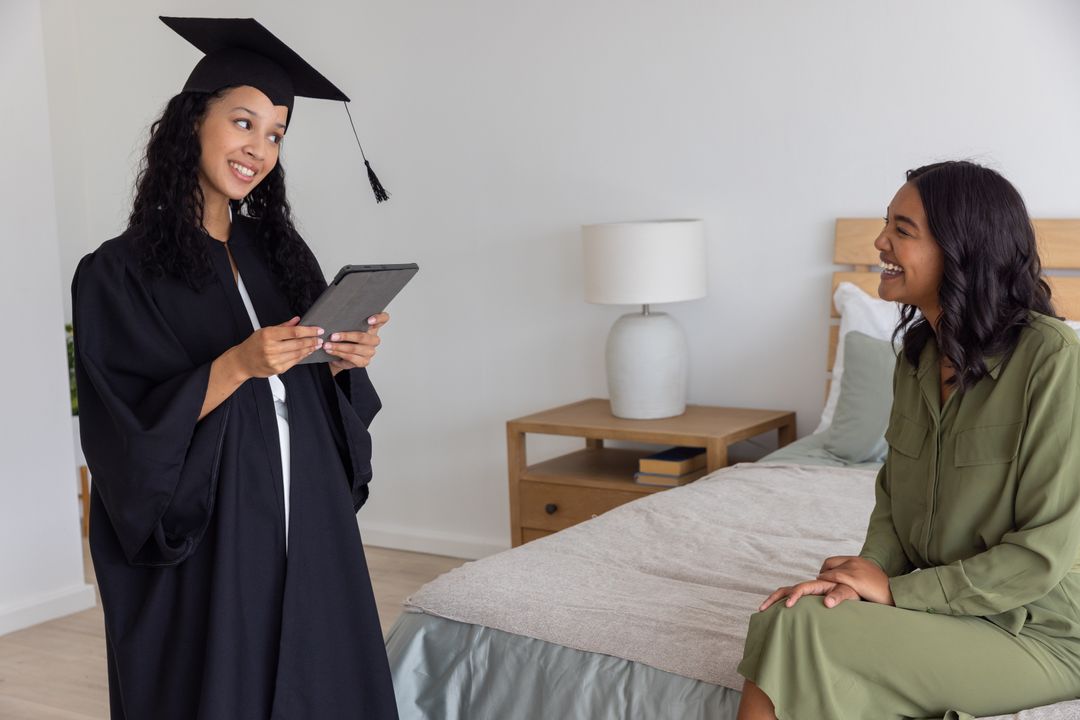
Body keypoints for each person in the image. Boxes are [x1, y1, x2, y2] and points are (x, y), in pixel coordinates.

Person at [72, 17, 398, 719]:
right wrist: (239, 365)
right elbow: (124, 428)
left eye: (276, 133)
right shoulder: (115, 273)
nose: (259, 148)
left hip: (304, 508)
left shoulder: (280, 253)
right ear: (193, 120)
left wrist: (344, 363)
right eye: (243, 122)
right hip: (215, 529)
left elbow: (318, 398)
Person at [735, 161, 1080, 720]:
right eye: (884, 225)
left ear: (961, 248)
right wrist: (858, 578)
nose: (881, 242)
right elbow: (894, 505)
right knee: (795, 617)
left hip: (1042, 631)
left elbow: (1042, 554)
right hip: (947, 614)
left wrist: (897, 593)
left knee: (797, 631)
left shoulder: (1054, 360)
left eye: (902, 229)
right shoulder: (916, 358)